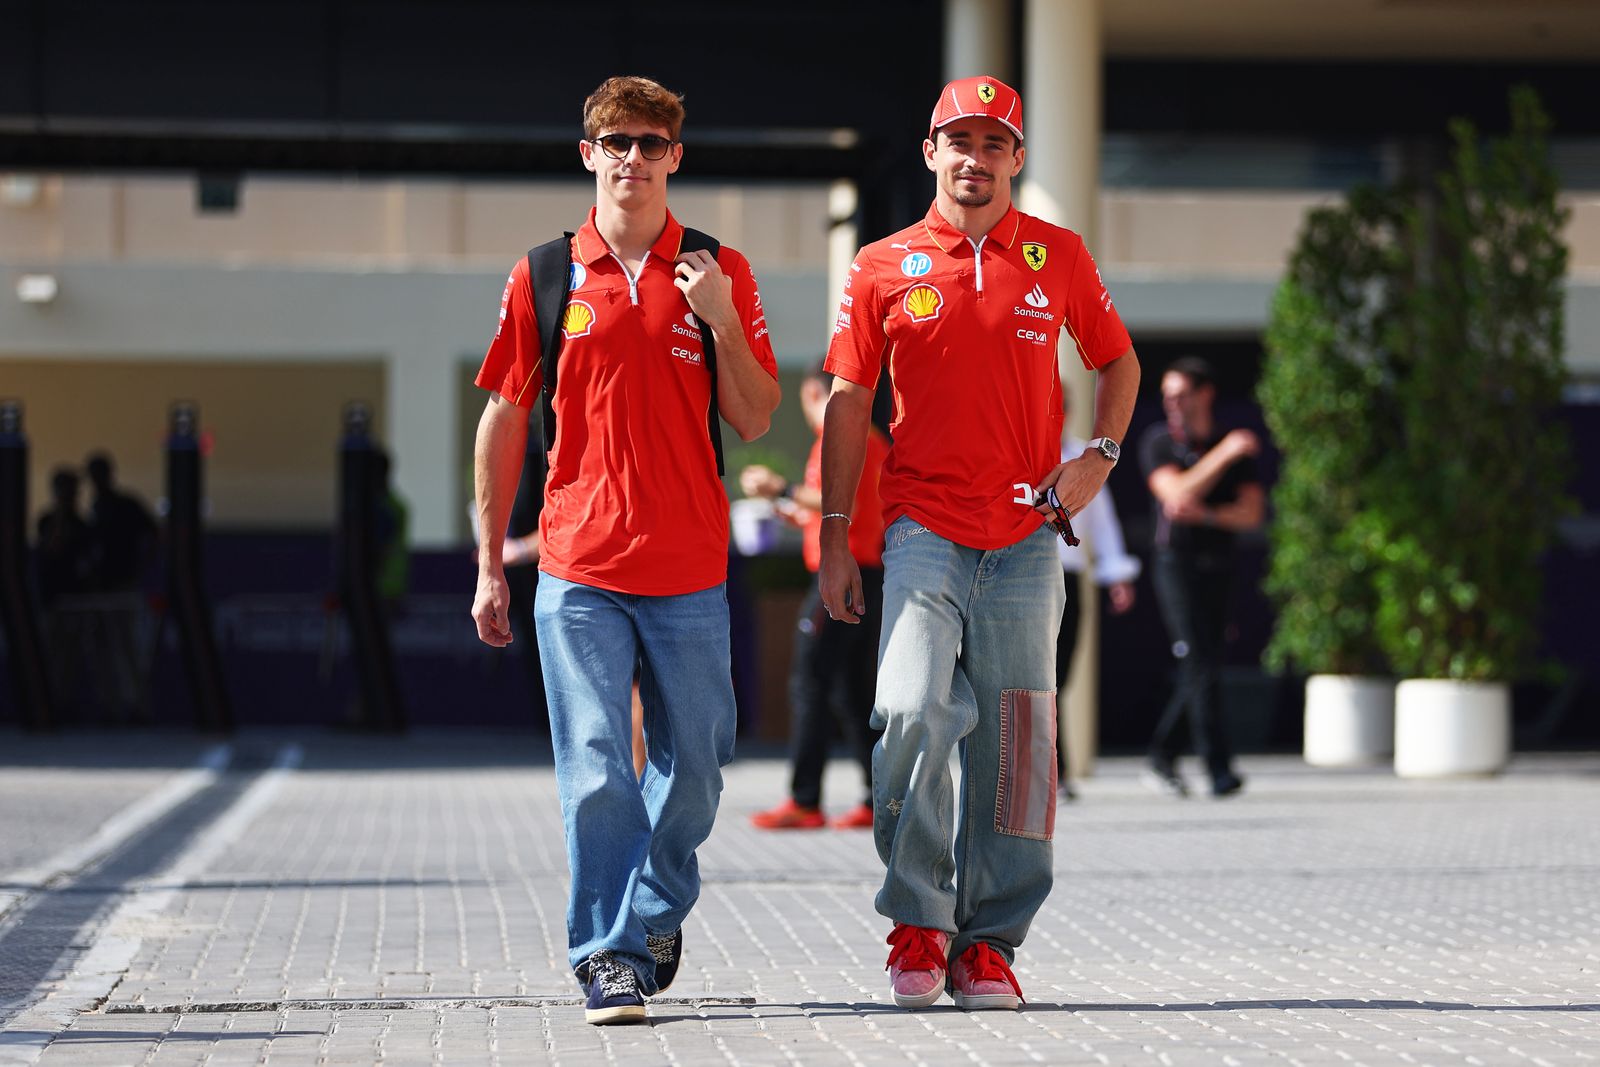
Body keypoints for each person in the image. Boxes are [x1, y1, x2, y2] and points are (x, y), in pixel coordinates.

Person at [819, 76, 1140, 1012]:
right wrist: (835, 534)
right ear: (931, 153)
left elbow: (1117, 360)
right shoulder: (881, 263)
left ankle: (990, 943)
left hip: (1029, 534)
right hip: (923, 527)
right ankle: (919, 920)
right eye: (959, 140)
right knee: (912, 707)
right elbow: (848, 399)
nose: (976, 158)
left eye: (995, 142)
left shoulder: (1058, 254)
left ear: (1017, 158)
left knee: (1020, 742)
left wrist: (1099, 457)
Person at [470, 75, 780, 1027]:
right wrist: (488, 563)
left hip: (688, 567)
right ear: (589, 155)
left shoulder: (720, 269)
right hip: (579, 566)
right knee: (599, 764)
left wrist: (720, 316)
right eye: (617, 143)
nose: (633, 159)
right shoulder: (545, 273)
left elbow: (756, 417)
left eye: (651, 143)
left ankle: (651, 909)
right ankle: (607, 953)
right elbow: (503, 419)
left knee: (700, 765)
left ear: (675, 157)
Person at [742, 365, 889, 831]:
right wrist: (794, 511)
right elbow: (839, 507)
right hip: (864, 571)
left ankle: (805, 800)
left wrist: (779, 488)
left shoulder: (841, 436)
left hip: (844, 574)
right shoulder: (867, 437)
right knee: (852, 690)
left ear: (813, 394)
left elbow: (842, 503)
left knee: (810, 681)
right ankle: (878, 799)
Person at [1137, 356, 1264, 799]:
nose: (1172, 403)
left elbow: (1251, 514)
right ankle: (1218, 768)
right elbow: (1175, 494)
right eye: (1167, 396)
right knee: (1197, 658)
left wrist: (1208, 514)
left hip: (1221, 563)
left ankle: (1163, 755)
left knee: (1207, 661)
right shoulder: (1159, 442)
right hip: (1176, 563)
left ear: (1205, 394)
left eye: (1181, 394)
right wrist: (1225, 454)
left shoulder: (1229, 447)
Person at [1055, 386, 1141, 802]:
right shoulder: (1013, 453)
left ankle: (1053, 772)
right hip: (1016, 577)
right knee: (1027, 679)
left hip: (1068, 578)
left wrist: (1116, 572)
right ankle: (1047, 772)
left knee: (1059, 677)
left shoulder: (1081, 457)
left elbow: (1102, 521)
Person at [83, 451, 156, 722]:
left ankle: (137, 706)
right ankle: (110, 706)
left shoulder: (126, 504)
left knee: (127, 647)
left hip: (123, 585)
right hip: (98, 588)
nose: (96, 481)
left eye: (99, 475)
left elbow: (153, 534)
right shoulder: (95, 507)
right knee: (100, 648)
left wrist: (140, 568)